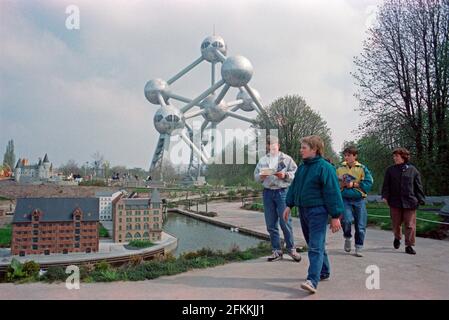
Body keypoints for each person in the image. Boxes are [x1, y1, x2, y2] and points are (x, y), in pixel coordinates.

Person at [284, 135, 343, 294]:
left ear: (314, 149)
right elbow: (294, 187)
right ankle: (324, 271)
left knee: (315, 246)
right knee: (314, 244)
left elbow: (333, 192)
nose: (300, 150)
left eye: (304, 147)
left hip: (318, 211)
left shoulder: (325, 168)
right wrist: (288, 205)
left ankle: (312, 280)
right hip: (303, 210)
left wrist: (336, 216)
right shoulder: (302, 168)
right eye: (301, 147)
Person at [254, 135, 301, 262]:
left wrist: (285, 175)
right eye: (269, 147)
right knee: (271, 224)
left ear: (278, 146)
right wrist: (262, 176)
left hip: (282, 192)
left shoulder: (287, 159)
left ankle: (291, 249)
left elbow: (296, 173)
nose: (272, 149)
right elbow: (256, 177)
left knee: (285, 222)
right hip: (268, 192)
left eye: (274, 146)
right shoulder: (263, 160)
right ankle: (276, 251)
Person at [381, 148, 425, 255]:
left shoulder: (413, 170)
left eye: (397, 156)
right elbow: (386, 185)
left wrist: (421, 199)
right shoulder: (390, 170)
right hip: (395, 202)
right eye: (394, 156)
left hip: (410, 202)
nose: (394, 158)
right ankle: (397, 237)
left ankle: (409, 245)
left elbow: (418, 186)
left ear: (403, 157)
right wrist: (385, 197)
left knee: (410, 225)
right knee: (396, 224)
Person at [336, 146, 373, 257]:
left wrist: (354, 184)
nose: (346, 157)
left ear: (355, 156)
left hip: (359, 199)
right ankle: (347, 237)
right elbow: (333, 182)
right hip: (345, 199)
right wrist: (341, 184)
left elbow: (369, 183)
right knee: (346, 221)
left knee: (360, 225)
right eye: (345, 155)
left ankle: (359, 247)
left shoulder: (362, 168)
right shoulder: (339, 168)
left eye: (349, 155)